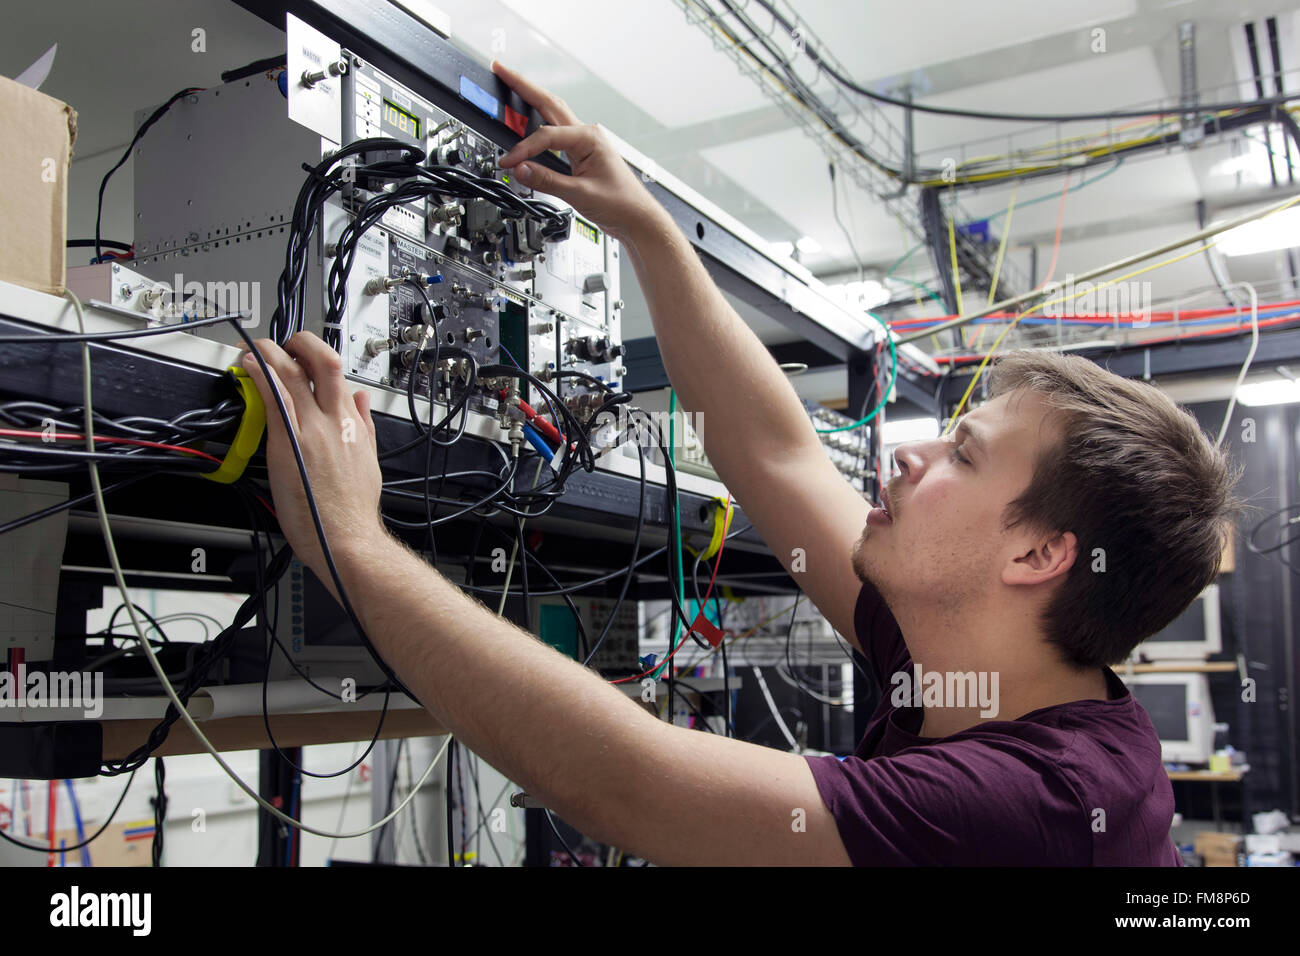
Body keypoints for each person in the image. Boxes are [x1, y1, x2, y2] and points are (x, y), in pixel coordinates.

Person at [237, 62, 1239, 866]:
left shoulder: (1041, 801)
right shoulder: (970, 659)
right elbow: (771, 448)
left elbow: (630, 782)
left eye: (962, 455)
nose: (909, 453)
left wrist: (354, 543)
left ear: (1035, 555)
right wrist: (644, 225)